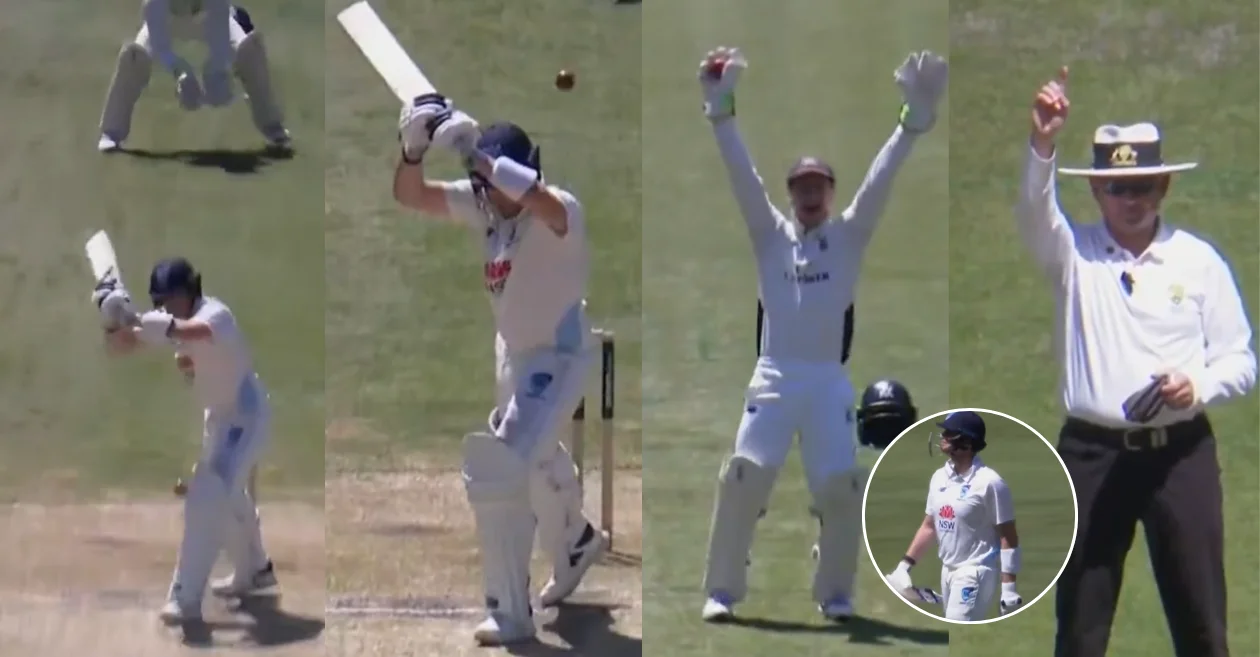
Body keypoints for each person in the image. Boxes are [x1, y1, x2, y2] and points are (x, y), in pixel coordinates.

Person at [695, 46, 948, 623]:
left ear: (831, 193)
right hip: (775, 378)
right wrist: (721, 109)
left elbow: (882, 181)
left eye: (820, 186)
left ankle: (835, 594)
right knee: (742, 479)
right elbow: (741, 176)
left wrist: (912, 122)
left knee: (841, 490)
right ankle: (723, 591)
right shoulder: (769, 236)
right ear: (791, 194)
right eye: (801, 186)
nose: (810, 194)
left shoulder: (850, 237)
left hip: (828, 384)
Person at [1021, 67, 1255, 657]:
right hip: (1091, 455)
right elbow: (1032, 212)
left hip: (1181, 455)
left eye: (1144, 187)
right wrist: (1043, 144)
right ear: (1097, 192)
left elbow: (1241, 360)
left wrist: (1195, 384)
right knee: (1080, 622)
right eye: (1119, 188)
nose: (1133, 200)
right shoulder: (1073, 257)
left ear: (1164, 189)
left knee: (1201, 621)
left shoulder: (1199, 262)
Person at [393, 94, 607, 645]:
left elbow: (540, 203)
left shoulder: (561, 209)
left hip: (559, 357)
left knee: (500, 465)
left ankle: (510, 613)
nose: (488, 196)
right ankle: (578, 538)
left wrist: (473, 155)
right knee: (527, 457)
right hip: (513, 354)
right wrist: (413, 150)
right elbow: (410, 196)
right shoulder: (484, 203)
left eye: (495, 180)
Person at [94, 257, 277, 624]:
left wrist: (156, 323)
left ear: (188, 292)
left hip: (247, 416)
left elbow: (197, 333)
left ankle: (184, 597)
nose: (164, 306)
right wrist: (113, 319)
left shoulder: (215, 314)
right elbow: (119, 349)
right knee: (227, 496)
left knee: (206, 497)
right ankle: (255, 570)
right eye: (159, 301)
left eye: (168, 299)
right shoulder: (168, 322)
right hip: (219, 421)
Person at [884, 411, 1023, 621]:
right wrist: (904, 567)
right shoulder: (939, 477)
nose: (943, 438)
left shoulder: (990, 483)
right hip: (947, 570)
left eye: (949, 433)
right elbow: (930, 526)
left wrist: (1009, 588)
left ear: (966, 442)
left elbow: (1008, 535)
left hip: (975, 571)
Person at [97, 0, 290, 152]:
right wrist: (181, 72)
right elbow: (161, 47)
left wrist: (216, 72)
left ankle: (272, 125)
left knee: (250, 51)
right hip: (167, 21)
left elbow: (221, 43)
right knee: (134, 58)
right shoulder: (153, 4)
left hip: (209, 20)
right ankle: (111, 133)